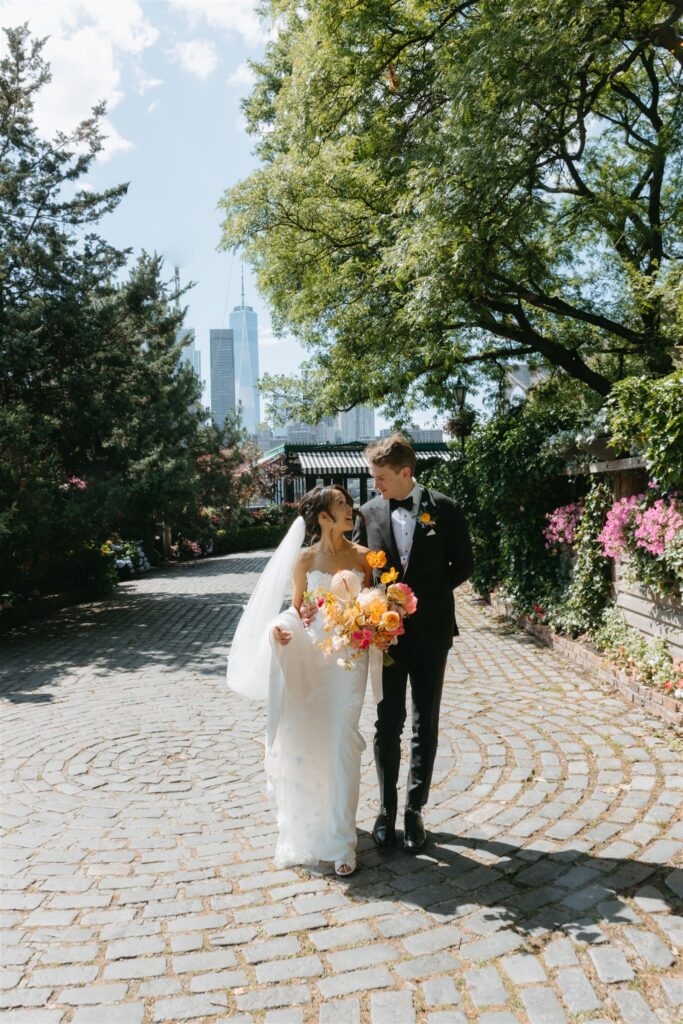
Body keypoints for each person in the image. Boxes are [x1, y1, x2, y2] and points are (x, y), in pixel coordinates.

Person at [227, 485, 371, 877]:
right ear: (323, 517)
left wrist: (374, 616)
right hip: (314, 657)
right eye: (341, 504)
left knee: (343, 740)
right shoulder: (304, 560)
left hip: (351, 660)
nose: (350, 509)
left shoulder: (364, 557)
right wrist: (279, 630)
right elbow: (296, 609)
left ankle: (343, 841)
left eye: (348, 503)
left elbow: (374, 599)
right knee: (311, 738)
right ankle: (317, 820)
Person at [352, 433, 473, 853]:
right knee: (388, 722)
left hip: (433, 633)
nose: (376, 486)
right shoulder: (367, 514)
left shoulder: (447, 510)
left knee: (426, 722)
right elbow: (360, 572)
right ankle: (384, 811)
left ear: (406, 473)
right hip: (385, 638)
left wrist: (423, 596)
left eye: (381, 477)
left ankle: (413, 810)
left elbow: (464, 565)